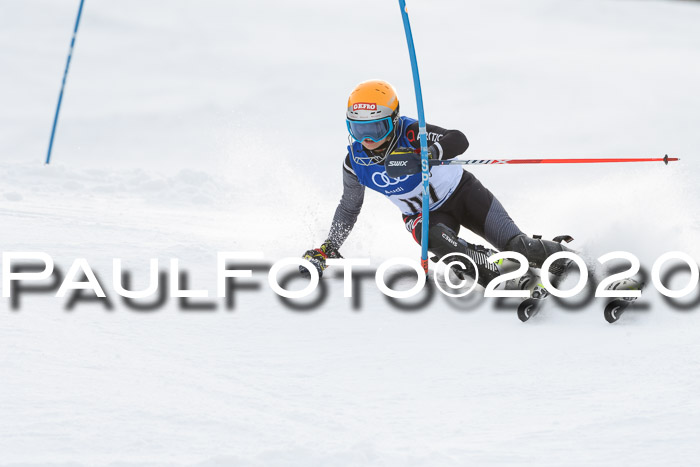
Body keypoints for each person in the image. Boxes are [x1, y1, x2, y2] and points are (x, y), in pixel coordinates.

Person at [301, 79, 572, 287]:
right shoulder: (355, 163)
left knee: (516, 245)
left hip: (464, 194)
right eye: (358, 129)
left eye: (377, 128)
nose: (368, 139)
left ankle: (570, 259)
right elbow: (349, 209)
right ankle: (502, 274)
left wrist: (430, 153)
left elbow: (458, 139)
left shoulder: (410, 132)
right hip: (424, 216)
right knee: (436, 240)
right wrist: (328, 248)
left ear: (393, 121)